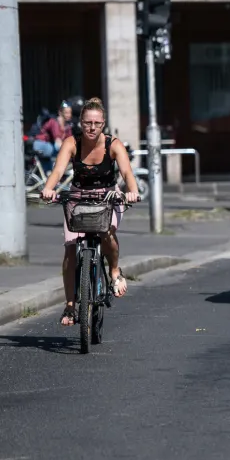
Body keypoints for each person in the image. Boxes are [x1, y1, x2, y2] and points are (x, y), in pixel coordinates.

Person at [41, 97, 141, 327]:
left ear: (103, 124)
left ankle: (114, 270)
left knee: (107, 233)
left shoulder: (113, 145)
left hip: (107, 197)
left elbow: (126, 173)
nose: (92, 128)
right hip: (78, 197)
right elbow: (57, 171)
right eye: (87, 123)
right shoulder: (71, 143)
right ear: (80, 123)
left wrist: (132, 191)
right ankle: (69, 305)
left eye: (96, 123)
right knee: (69, 250)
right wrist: (49, 188)